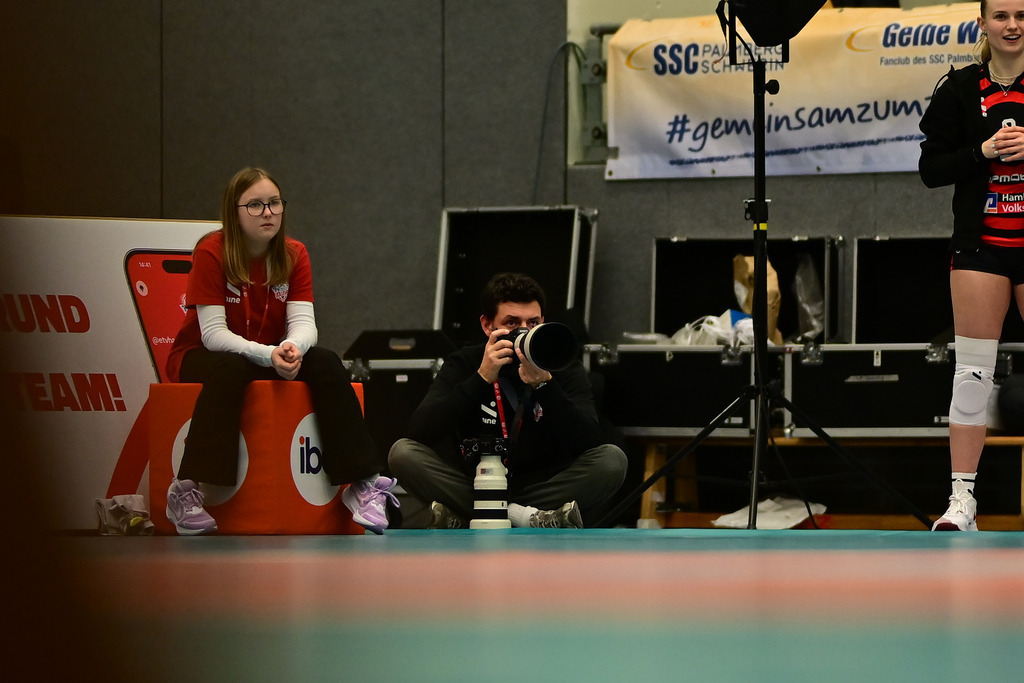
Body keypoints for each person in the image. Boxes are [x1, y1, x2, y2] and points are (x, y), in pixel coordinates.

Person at [164, 167, 397, 535]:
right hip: (203, 356)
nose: (268, 212)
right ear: (234, 211)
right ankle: (186, 490)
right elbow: (213, 335)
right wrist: (266, 354)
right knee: (230, 367)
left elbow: (305, 324)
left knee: (325, 361)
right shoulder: (211, 250)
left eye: (274, 203)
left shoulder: (293, 253)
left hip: (268, 354)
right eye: (255, 205)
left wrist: (292, 348)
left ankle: (363, 483)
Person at [388, 272, 627, 528]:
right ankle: (528, 518)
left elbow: (589, 439)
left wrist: (545, 386)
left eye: (533, 323)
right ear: (487, 325)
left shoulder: (561, 363)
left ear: (543, 323)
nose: (524, 331)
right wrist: (481, 378)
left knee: (612, 461)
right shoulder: (466, 362)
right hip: (478, 485)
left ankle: (478, 515)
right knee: (402, 454)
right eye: (512, 323)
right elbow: (421, 431)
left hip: (544, 486)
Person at [918, 0, 1024, 531]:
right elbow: (931, 169)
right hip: (981, 248)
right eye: (1001, 15)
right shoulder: (960, 87)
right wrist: (981, 151)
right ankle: (962, 501)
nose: (1013, 25)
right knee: (972, 375)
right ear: (982, 23)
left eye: (1022, 15)